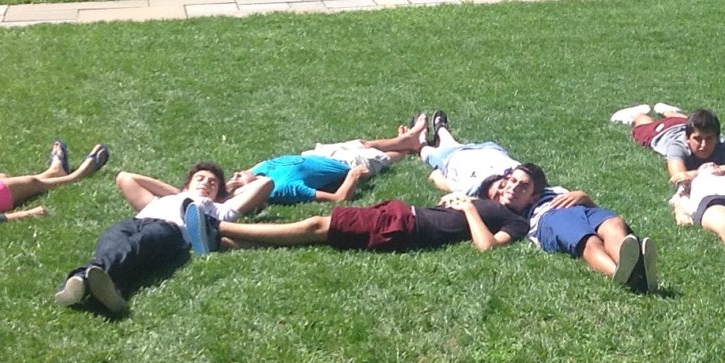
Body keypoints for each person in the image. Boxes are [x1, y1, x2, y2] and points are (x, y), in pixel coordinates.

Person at [210, 165, 548, 258]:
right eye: (512, 181)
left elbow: (487, 247)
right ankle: (231, 244)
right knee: (323, 238)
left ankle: (220, 228)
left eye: (523, 188)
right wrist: (460, 202)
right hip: (402, 215)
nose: (512, 188)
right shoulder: (490, 199)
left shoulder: (515, 222)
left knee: (318, 226)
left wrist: (469, 209)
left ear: (532, 197)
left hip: (406, 226)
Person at [53, 163, 245, 316]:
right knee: (113, 243)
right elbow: (125, 177)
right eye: (200, 178)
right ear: (187, 184)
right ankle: (112, 292)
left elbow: (263, 186)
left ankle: (80, 278)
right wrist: (181, 193)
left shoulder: (214, 208)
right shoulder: (160, 201)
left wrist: (227, 191)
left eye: (213, 183)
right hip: (133, 223)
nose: (206, 183)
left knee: (136, 246)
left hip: (170, 230)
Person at [620, 106, 725, 264]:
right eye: (697, 139)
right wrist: (705, 170)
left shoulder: (723, 147)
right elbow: (678, 176)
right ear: (688, 139)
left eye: (709, 139)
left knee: (680, 118)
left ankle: (667, 110)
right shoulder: (677, 147)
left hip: (685, 125)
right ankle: (638, 113)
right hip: (663, 131)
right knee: (645, 122)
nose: (703, 145)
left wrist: (721, 169)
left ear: (717, 137)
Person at [230, 120, 428, 206]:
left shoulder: (260, 171)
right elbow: (338, 199)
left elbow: (241, 184)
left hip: (320, 154)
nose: (237, 174)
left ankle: (406, 140)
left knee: (363, 143)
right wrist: (353, 176)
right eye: (238, 180)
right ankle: (413, 146)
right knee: (380, 156)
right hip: (345, 165)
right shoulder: (282, 189)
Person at [528, 186, 659, 293]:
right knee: (588, 241)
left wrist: (584, 197)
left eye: (524, 185)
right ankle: (631, 277)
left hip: (582, 207)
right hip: (550, 216)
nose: (515, 187)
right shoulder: (511, 210)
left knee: (614, 223)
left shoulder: (553, 189)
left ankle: (634, 268)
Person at [419, 113, 525, 197]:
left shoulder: (474, 188)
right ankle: (440, 128)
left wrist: (438, 175)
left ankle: (421, 139)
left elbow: (439, 179)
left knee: (426, 152)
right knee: (450, 143)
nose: (508, 189)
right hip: (489, 149)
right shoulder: (520, 177)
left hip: (451, 158)